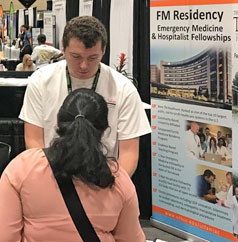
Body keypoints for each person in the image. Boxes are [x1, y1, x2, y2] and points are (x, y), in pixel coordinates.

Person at [0, 88, 145, 242]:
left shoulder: (23, 167)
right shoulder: (118, 179)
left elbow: (2, 241)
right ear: (104, 130)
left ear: (58, 123)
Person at [19, 16, 151, 177]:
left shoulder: (123, 89)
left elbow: (129, 153)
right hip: (53, 175)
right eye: (76, 56)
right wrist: (49, 185)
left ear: (103, 51)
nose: (83, 65)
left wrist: (113, 189)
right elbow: (34, 141)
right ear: (63, 49)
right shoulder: (41, 81)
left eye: (92, 58)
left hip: (104, 178)